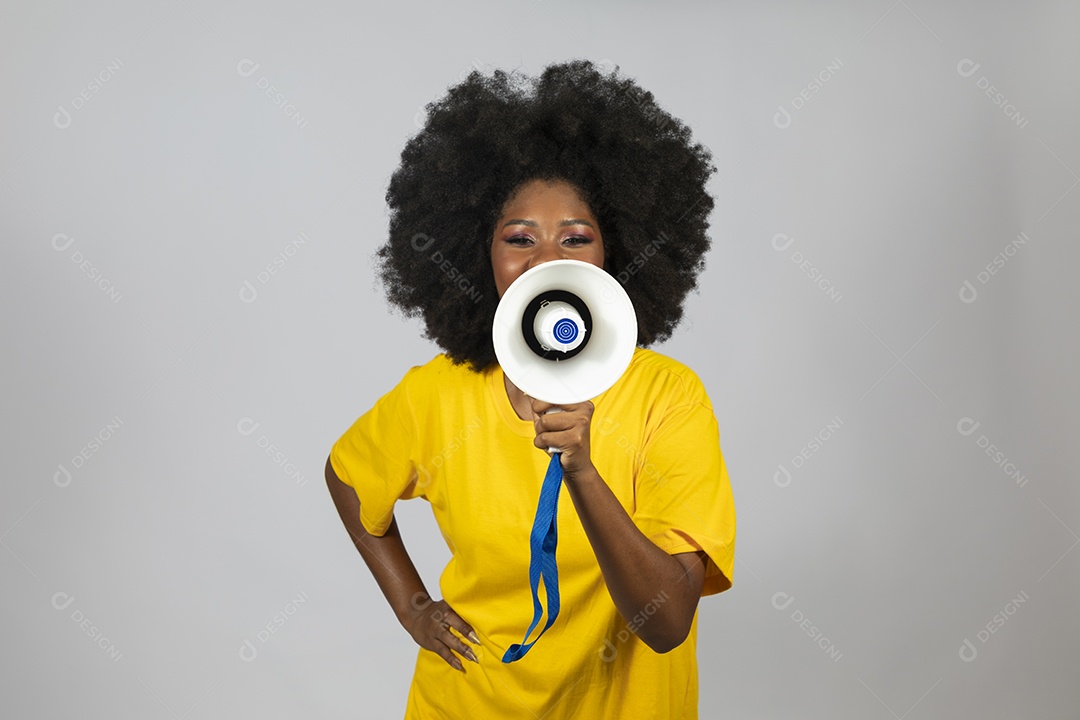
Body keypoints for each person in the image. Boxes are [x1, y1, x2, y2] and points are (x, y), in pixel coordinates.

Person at [325, 59, 736, 719]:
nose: (547, 259)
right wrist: (413, 608)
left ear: (614, 254)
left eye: (576, 237)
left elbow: (666, 623)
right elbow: (347, 476)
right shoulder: (438, 394)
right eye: (520, 238)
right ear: (480, 255)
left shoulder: (669, 397)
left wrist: (582, 469)